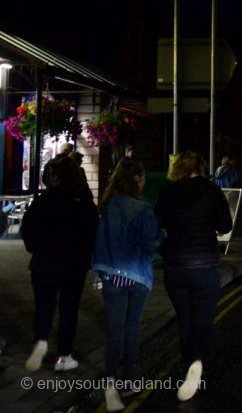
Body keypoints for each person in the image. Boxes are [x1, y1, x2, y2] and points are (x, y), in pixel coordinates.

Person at [155, 151, 233, 402]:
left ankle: (189, 363)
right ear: (201, 167)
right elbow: (226, 226)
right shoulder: (211, 191)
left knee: (185, 319)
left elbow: (157, 221)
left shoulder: (167, 193)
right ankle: (196, 363)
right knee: (203, 319)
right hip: (205, 264)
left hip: (175, 265)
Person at [93, 160, 165, 412]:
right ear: (136, 178)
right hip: (135, 273)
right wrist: (163, 235)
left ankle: (110, 382)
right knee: (131, 328)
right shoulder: (143, 206)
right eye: (143, 178)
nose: (144, 182)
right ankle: (126, 383)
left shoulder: (107, 205)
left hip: (111, 274)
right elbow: (151, 244)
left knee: (114, 331)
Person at [21, 158, 98, 372]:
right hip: (74, 266)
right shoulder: (84, 203)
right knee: (68, 309)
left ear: (57, 176)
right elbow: (92, 234)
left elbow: (27, 230)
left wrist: (38, 249)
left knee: (43, 309)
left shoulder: (43, 200)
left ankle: (40, 349)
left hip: (44, 263)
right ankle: (64, 356)